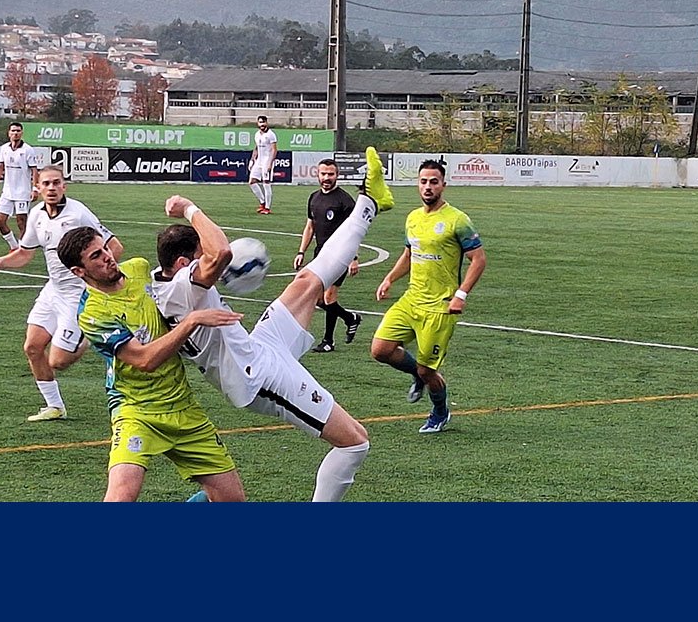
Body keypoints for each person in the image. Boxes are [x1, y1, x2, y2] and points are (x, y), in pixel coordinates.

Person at [150, 147, 392, 501]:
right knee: (355, 442)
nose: (212, 267)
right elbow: (221, 253)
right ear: (185, 262)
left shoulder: (162, 281)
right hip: (258, 375)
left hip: (255, 347)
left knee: (308, 281)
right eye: (200, 259)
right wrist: (188, 207)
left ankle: (369, 204)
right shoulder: (179, 288)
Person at [57, 225, 248, 502]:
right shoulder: (92, 314)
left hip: (182, 404)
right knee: (120, 497)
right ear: (79, 271)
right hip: (136, 410)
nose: (108, 257)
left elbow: (180, 288)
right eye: (96, 256)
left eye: (105, 249)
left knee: (232, 502)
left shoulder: (138, 268)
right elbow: (145, 360)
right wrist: (192, 321)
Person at [0, 165, 121, 423]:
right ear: (37, 187)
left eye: (56, 183)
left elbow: (114, 246)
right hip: (53, 290)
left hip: (78, 294)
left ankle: (90, 334)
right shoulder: (37, 214)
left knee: (58, 361)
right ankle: (54, 406)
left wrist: (99, 279)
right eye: (46, 184)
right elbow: (25, 253)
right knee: (33, 347)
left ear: (64, 186)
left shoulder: (79, 213)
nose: (51, 188)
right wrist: (1, 261)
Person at [371, 159, 487, 434]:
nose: (428, 186)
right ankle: (417, 375)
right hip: (412, 300)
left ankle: (440, 411)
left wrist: (461, 295)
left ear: (443, 185)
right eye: (423, 181)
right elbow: (410, 254)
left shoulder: (457, 220)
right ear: (417, 184)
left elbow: (478, 259)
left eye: (434, 181)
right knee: (380, 350)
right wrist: (389, 278)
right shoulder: (413, 217)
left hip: (440, 306)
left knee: (427, 370)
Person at [294, 157, 363, 353]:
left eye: (330, 174)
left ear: (337, 175)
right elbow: (310, 227)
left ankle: (328, 341)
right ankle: (350, 318)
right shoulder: (314, 198)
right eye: (323, 174)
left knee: (329, 295)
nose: (326, 178)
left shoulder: (345, 201)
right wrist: (301, 251)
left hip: (341, 254)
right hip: (320, 253)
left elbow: (354, 231)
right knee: (318, 300)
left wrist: (354, 258)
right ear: (317, 174)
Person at [0, 122, 41, 250]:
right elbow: (0, 166)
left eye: (18, 131)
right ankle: (14, 246)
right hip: (7, 192)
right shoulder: (4, 148)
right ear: (9, 133)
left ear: (21, 133)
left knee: (21, 222)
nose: (15, 133)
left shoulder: (28, 150)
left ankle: (22, 250)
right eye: (13, 131)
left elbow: (35, 170)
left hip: (22, 193)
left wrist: (35, 189)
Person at [247, 115, 277, 214]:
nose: (262, 124)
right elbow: (256, 148)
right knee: (252, 182)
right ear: (257, 123)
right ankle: (262, 202)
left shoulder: (271, 134)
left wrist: (270, 163)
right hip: (259, 161)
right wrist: (252, 160)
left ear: (267, 123)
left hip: (266, 161)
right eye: (260, 122)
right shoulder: (257, 134)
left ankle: (267, 208)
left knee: (266, 184)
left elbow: (274, 150)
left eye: (264, 122)